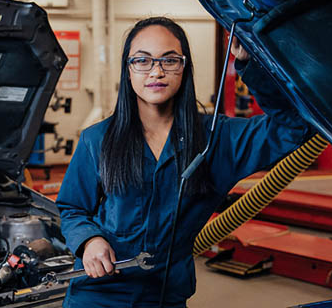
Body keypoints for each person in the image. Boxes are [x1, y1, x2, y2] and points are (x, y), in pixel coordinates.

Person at [55, 17, 310, 308]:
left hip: (165, 297)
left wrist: (253, 66)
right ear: (128, 70)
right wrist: (90, 241)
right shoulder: (97, 139)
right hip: (97, 295)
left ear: (184, 67)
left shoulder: (219, 140)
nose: (156, 71)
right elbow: (72, 207)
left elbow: (293, 127)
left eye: (170, 60)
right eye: (142, 61)